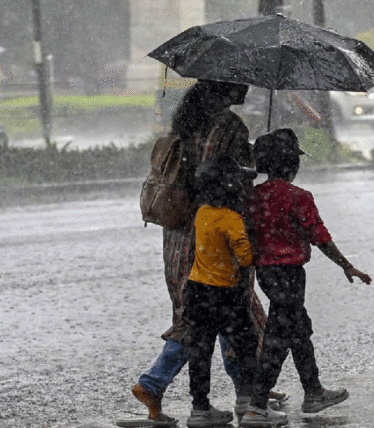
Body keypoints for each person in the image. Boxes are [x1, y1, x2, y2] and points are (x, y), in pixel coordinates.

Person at [130, 80, 285, 424]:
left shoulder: (187, 122)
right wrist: (256, 162)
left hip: (179, 235)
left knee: (212, 317)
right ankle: (157, 384)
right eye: (240, 80)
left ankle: (249, 389)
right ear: (225, 86)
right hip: (214, 238)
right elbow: (228, 180)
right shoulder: (228, 125)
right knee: (224, 317)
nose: (247, 86)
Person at [241, 128, 373, 426]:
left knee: (298, 328)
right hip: (290, 275)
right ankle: (256, 406)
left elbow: (249, 235)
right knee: (279, 336)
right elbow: (319, 235)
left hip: (265, 274)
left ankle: (313, 391)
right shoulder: (299, 197)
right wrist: (345, 265)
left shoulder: (252, 197)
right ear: (292, 165)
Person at [182, 153, 282, 427]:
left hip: (196, 292)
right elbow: (246, 258)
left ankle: (200, 409)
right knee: (246, 348)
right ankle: (251, 404)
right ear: (230, 188)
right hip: (225, 295)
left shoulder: (202, 213)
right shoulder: (232, 220)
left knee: (200, 352)